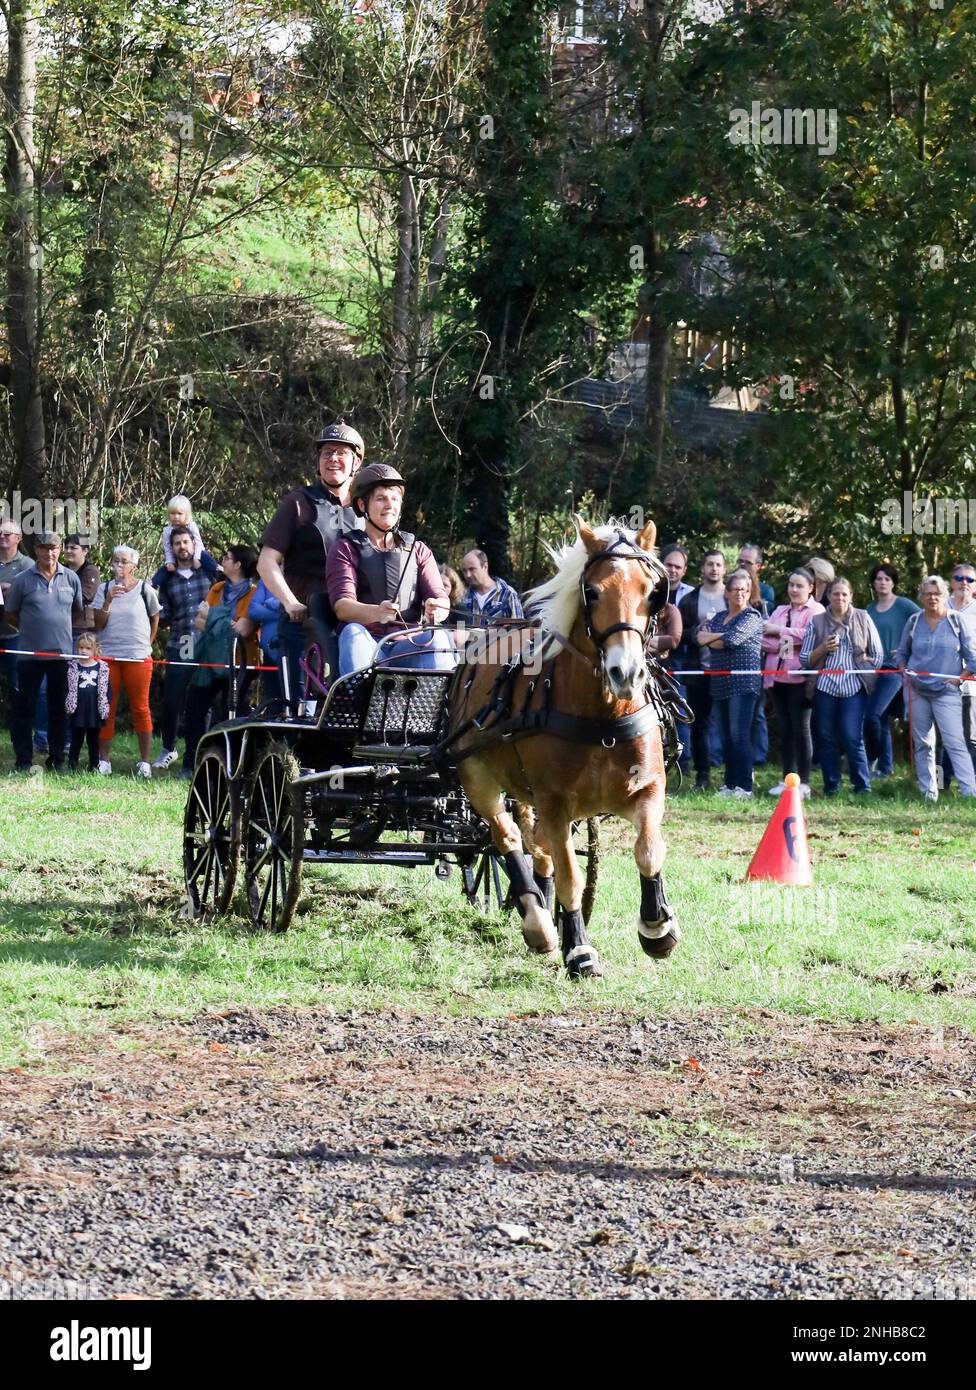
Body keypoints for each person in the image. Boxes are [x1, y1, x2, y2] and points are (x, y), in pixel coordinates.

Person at [258, 418, 365, 704]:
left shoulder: (369, 508)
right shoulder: (298, 502)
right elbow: (266, 562)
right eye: (327, 452)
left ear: (356, 462)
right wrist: (290, 601)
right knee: (300, 707)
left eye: (342, 453)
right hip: (303, 622)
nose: (333, 459)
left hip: (353, 622)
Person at [327, 464, 453, 676]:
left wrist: (438, 607)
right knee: (352, 632)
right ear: (362, 504)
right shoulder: (345, 548)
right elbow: (342, 607)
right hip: (368, 643)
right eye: (381, 499)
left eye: (395, 499)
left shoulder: (418, 549)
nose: (389, 505)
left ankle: (440, 707)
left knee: (439, 637)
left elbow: (442, 599)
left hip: (408, 646)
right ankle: (360, 704)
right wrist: (376, 612)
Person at [4, 531, 83, 772]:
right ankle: (24, 760)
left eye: (54, 548)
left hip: (60, 654)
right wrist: (31, 629)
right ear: (35, 550)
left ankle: (58, 758)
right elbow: (10, 614)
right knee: (24, 708)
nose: (49, 553)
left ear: (59, 549)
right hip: (29, 654)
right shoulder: (23, 579)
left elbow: (76, 612)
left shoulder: (71, 578)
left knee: (59, 709)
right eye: (44, 548)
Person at [895, 575, 976, 802]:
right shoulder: (913, 621)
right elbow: (902, 653)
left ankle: (970, 793)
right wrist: (904, 671)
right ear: (921, 597)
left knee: (955, 743)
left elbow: (972, 659)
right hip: (916, 691)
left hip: (947, 692)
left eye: (937, 593)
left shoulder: (957, 621)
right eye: (928, 593)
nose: (932, 598)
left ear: (944, 596)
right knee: (923, 743)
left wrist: (959, 679)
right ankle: (928, 794)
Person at [800, 577, 882, 795]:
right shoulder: (816, 621)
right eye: (836, 594)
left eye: (844, 594)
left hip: (854, 688)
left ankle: (863, 786)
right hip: (825, 687)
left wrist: (865, 667)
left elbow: (878, 655)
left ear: (851, 596)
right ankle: (832, 786)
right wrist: (823, 648)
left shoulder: (863, 618)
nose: (840, 598)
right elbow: (804, 659)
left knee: (851, 736)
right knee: (826, 738)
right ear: (829, 596)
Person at [151, 525, 221, 773]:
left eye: (185, 542)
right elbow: (164, 613)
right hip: (182, 642)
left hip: (209, 643)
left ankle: (204, 752)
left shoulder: (209, 573)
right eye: (177, 543)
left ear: (194, 544)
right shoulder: (167, 578)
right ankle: (168, 748)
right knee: (173, 698)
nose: (182, 547)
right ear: (172, 547)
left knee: (204, 700)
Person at [183, 546, 259, 767]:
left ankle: (233, 764)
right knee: (195, 710)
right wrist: (225, 620)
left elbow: (243, 630)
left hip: (239, 662)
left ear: (238, 565)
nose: (222, 561)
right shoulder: (216, 588)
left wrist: (213, 615)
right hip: (208, 660)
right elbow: (199, 622)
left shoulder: (253, 593)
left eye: (227, 558)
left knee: (231, 713)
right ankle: (192, 762)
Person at [92, 546, 161, 777]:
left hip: (138, 657)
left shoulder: (145, 589)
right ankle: (104, 761)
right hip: (108, 656)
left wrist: (147, 644)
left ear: (134, 566)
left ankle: (145, 762)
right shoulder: (103, 589)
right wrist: (108, 601)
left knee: (141, 708)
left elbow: (155, 618)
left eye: (124, 561)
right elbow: (98, 624)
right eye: (115, 561)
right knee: (106, 708)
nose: (119, 566)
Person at [696, 570, 764, 797]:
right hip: (720, 683)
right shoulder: (718, 617)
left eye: (744, 590)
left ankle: (744, 786)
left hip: (744, 684)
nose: (740, 594)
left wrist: (714, 638)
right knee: (725, 735)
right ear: (727, 592)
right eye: (735, 589)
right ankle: (729, 784)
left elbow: (732, 641)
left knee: (739, 735)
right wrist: (717, 637)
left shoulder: (752, 616)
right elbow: (699, 637)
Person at [761, 567, 824, 796]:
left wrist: (779, 631)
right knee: (785, 729)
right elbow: (764, 641)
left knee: (801, 728)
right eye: (791, 585)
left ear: (810, 588)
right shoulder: (779, 609)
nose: (794, 589)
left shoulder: (816, 610)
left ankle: (804, 781)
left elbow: (811, 636)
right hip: (776, 677)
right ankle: (787, 778)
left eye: (799, 585)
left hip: (800, 677)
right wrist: (787, 638)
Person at [677, 550, 727, 790]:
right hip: (699, 672)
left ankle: (733, 775)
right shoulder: (690, 600)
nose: (714, 569)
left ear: (724, 569)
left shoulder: (733, 596)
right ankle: (702, 775)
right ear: (703, 568)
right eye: (710, 564)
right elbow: (681, 635)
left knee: (730, 725)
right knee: (699, 725)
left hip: (728, 672)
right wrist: (698, 633)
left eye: (718, 564)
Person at [865, 563, 920, 778]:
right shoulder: (869, 609)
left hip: (894, 670)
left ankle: (872, 756)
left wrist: (910, 649)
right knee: (881, 719)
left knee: (874, 713)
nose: (883, 582)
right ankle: (885, 769)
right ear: (873, 583)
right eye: (879, 579)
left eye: (887, 579)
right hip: (872, 669)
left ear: (893, 582)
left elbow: (926, 621)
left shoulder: (904, 605)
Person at [943, 559, 976, 784]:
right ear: (950, 582)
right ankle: (940, 784)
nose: (964, 582)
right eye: (959, 578)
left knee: (970, 736)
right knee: (941, 736)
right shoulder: (938, 604)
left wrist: (964, 674)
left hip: (971, 682)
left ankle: (971, 783)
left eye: (970, 579)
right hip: (941, 680)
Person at [0, 519, 34, 725]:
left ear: (19, 538)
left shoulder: (27, 565)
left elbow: (36, 597)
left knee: (18, 685)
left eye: (7, 534)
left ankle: (22, 729)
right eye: (0, 533)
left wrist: (12, 588)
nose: (2, 536)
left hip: (16, 635)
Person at [66, 633, 110, 772]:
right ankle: (72, 764)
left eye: (88, 648)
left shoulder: (102, 668)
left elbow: (108, 690)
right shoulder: (73, 667)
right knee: (76, 739)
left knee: (93, 741)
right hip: (78, 710)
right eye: (81, 647)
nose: (83, 651)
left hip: (94, 711)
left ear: (95, 649)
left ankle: (94, 765)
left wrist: (105, 707)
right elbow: (67, 688)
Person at [459, 549, 523, 625]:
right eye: (464, 570)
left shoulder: (507, 594)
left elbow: (519, 629)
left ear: (485, 566)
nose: (468, 575)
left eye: (472, 569)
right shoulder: (462, 596)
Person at [248, 575, 284, 707]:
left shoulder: (299, 579)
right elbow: (253, 610)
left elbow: (301, 608)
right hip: (269, 654)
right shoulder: (266, 580)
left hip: (294, 654)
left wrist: (271, 603)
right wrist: (283, 610)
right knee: (272, 701)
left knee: (294, 702)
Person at [63, 534, 102, 634]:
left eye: (73, 548)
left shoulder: (91, 571)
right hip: (61, 626)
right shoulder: (59, 570)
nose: (68, 551)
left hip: (82, 629)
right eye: (66, 547)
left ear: (85, 551)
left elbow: (84, 597)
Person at [162, 495, 203, 571]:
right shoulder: (167, 530)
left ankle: (219, 572)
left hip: (198, 552)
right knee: (163, 571)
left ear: (186, 514)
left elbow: (198, 543)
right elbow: (167, 548)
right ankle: (149, 583)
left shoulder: (191, 526)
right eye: (173, 513)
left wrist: (196, 558)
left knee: (207, 559)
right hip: (177, 555)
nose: (176, 517)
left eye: (179, 513)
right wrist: (170, 562)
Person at [737, 544, 775, 608]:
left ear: (758, 566)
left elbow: (765, 615)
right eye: (740, 561)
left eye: (748, 563)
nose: (743, 564)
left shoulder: (766, 591)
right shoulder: (728, 586)